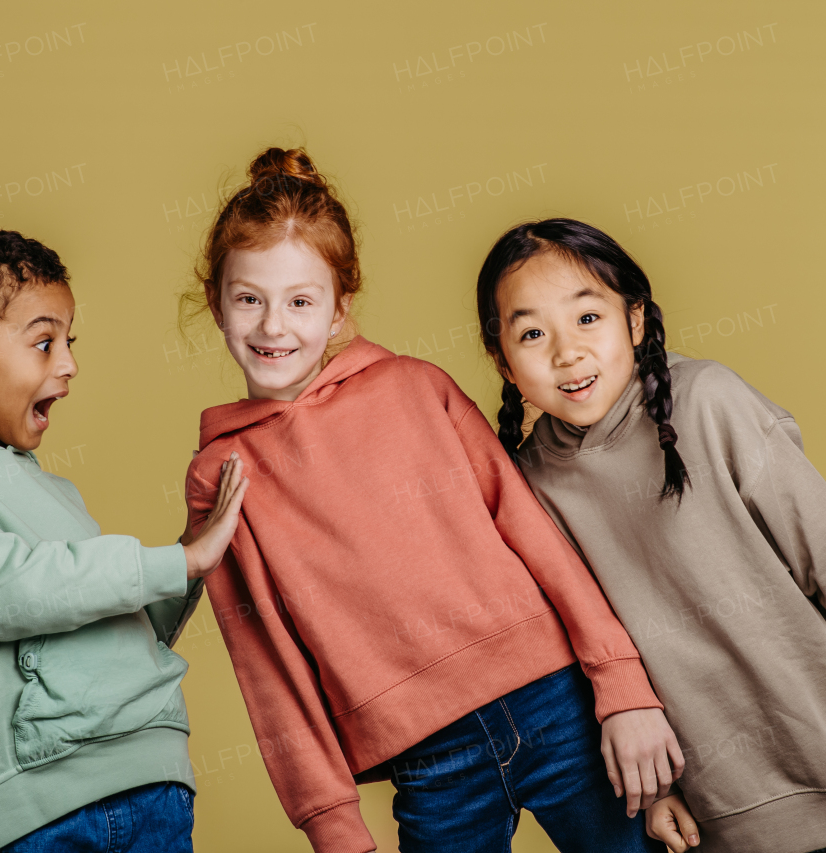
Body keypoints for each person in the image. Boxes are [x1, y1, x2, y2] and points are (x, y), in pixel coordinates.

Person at [182, 148, 680, 853]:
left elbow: (533, 532)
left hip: (558, 701)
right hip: (428, 760)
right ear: (217, 304)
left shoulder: (416, 386)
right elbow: (263, 658)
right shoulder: (221, 471)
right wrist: (330, 819)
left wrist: (622, 683)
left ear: (338, 307)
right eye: (248, 299)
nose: (273, 326)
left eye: (300, 300)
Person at [475, 217, 826, 853]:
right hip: (719, 816)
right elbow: (595, 655)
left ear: (636, 320)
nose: (567, 353)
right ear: (503, 362)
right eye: (533, 333)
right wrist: (655, 790)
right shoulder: (531, 480)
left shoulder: (707, 400)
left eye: (587, 318)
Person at [0, 223, 248, 853]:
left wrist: (196, 550)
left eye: (68, 341)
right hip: (41, 809)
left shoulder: (53, 489)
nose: (69, 363)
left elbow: (122, 625)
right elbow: (2, 589)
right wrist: (177, 560)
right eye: (43, 343)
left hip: (154, 780)